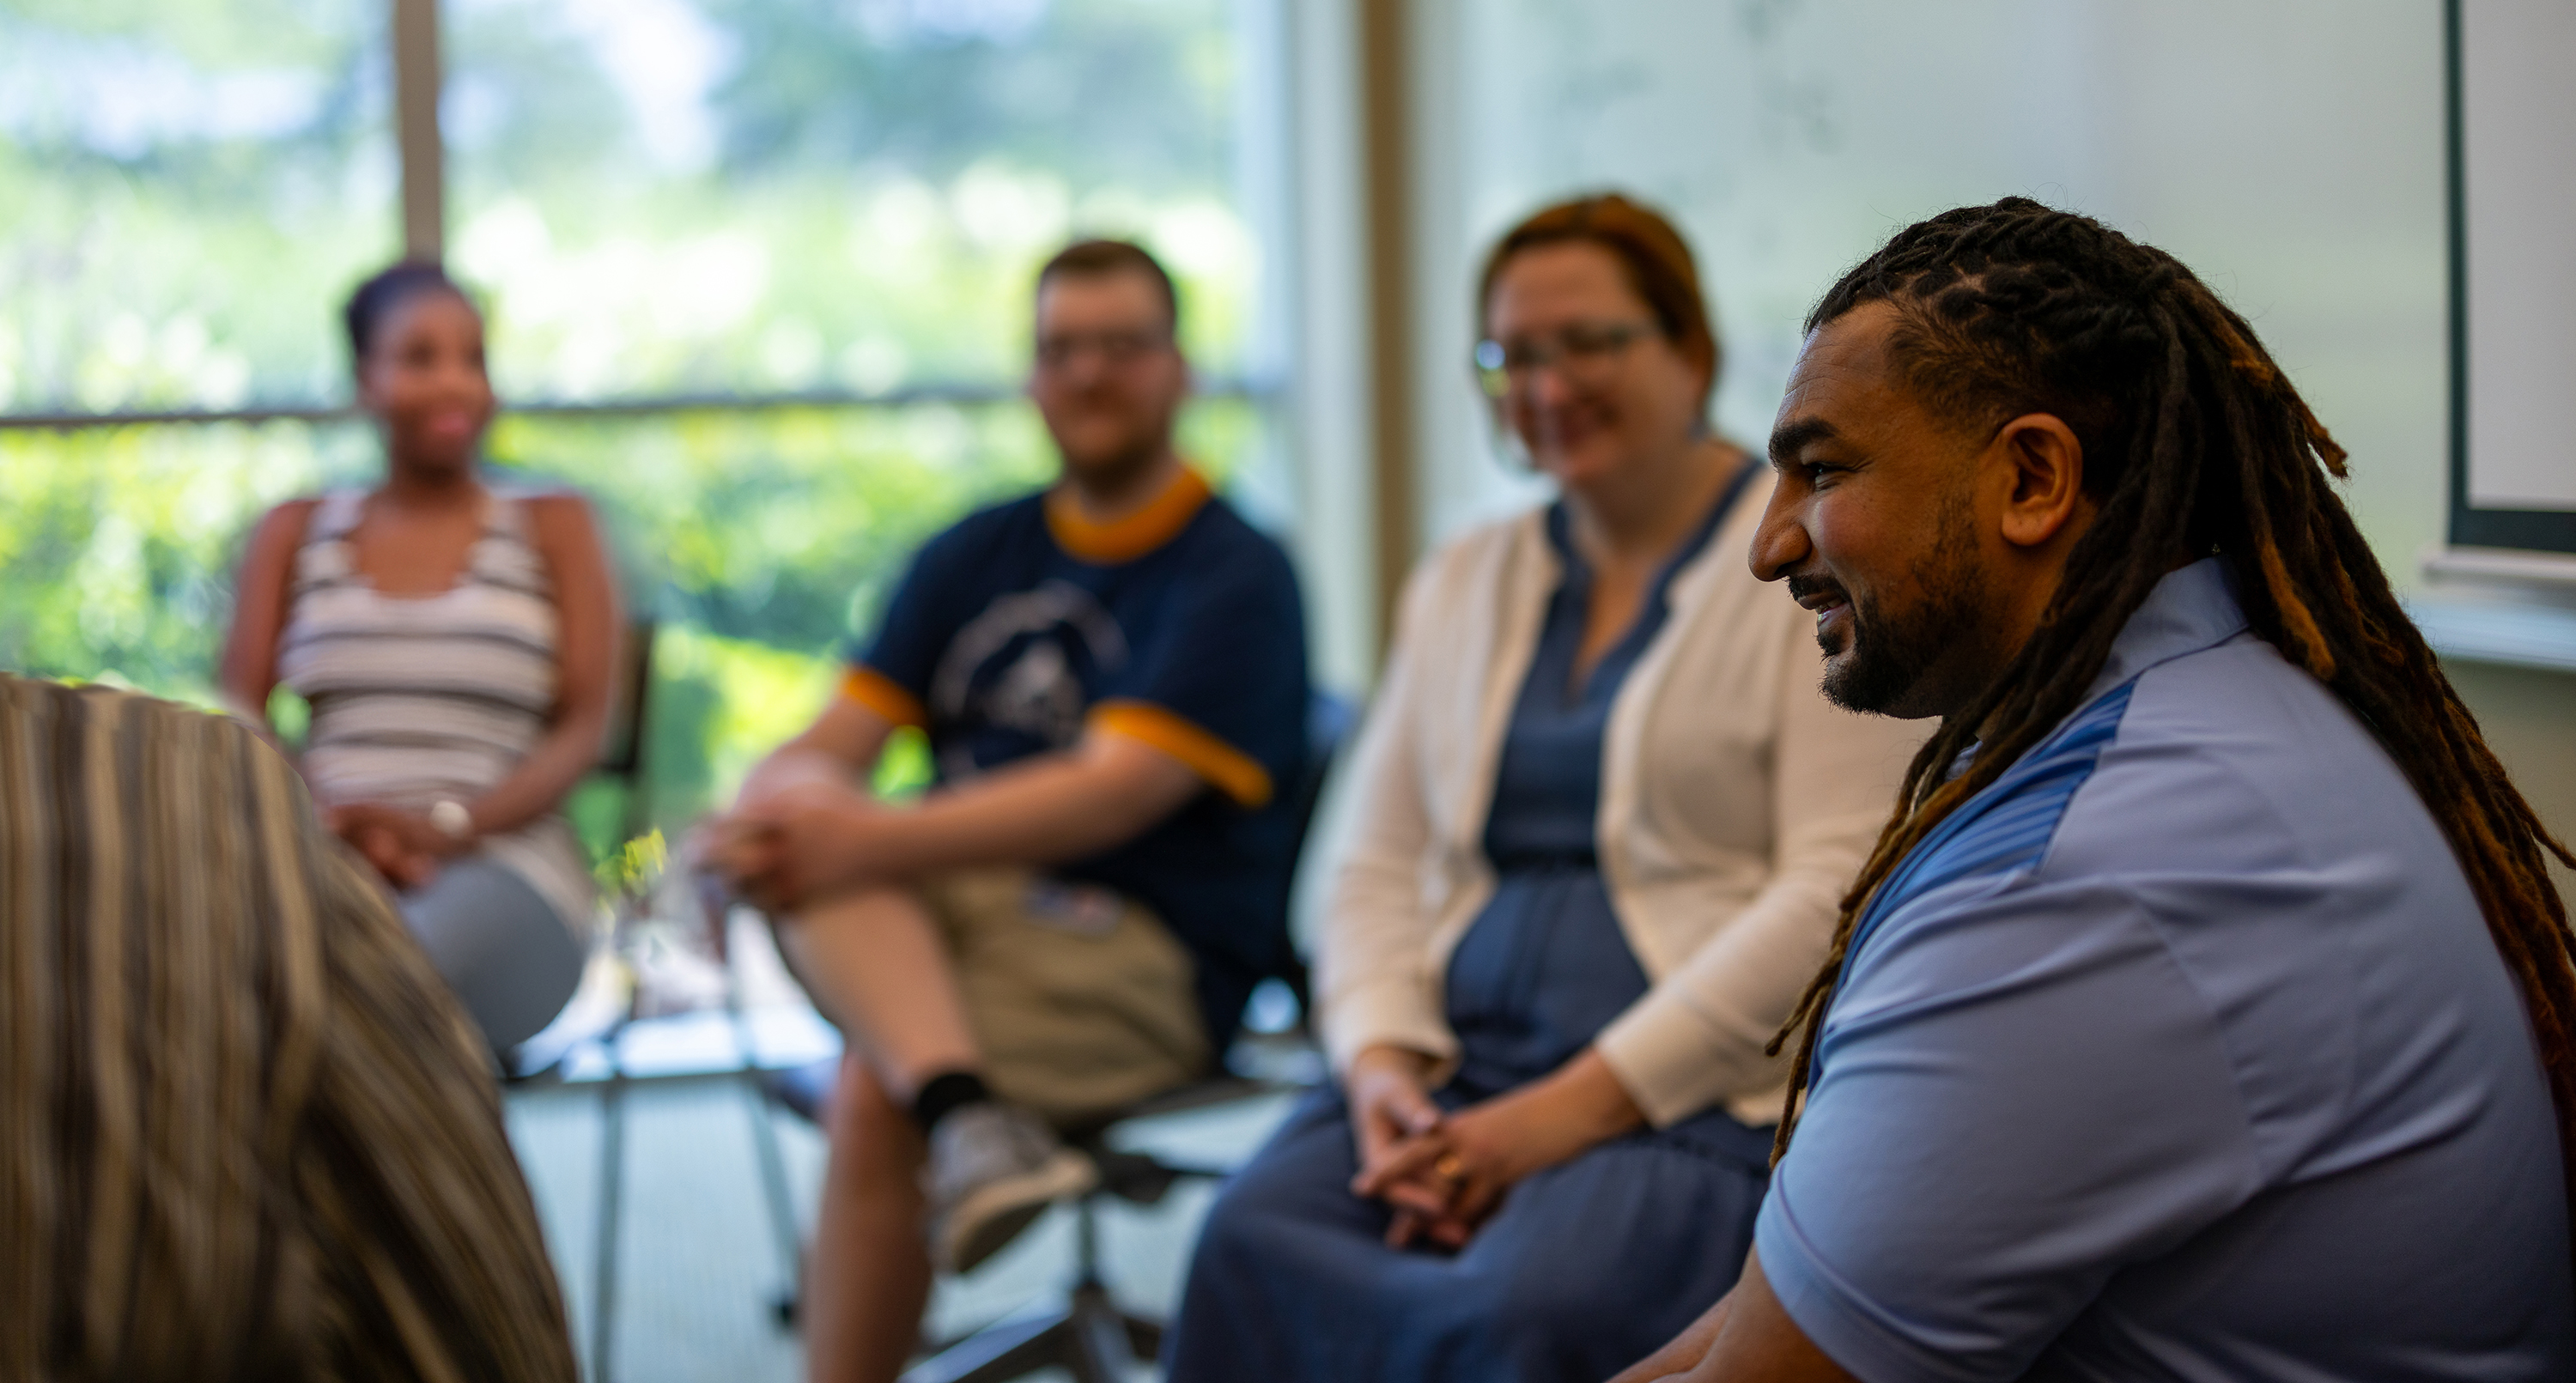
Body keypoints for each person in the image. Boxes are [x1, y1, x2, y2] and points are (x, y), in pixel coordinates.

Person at [1622, 196, 2576, 1382]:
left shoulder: (2081, 883)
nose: (1769, 544)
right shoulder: (2205, 704)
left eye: (1822, 472)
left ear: (2032, 478)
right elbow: (1803, 1299)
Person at [1163, 196, 1923, 1383]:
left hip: (1685, 1101)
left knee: (1520, 1314)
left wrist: (1553, 1119)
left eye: (1592, 342)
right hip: (1445, 1074)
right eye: (1512, 355)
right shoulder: (1467, 574)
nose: (1549, 383)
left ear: (1692, 351)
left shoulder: (1803, 565)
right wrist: (1377, 1076)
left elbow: (1834, 890)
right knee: (1246, 1241)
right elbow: (1366, 865)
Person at [700, 237, 1310, 1383]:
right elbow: (834, 747)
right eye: (1060, 349)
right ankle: (968, 1112)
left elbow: (1108, 795)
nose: (1088, 374)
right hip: (966, 914)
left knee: (877, 1083)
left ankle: (949, 1106)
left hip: (1144, 951)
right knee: (800, 820)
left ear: (1180, 369)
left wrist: (853, 835)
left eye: (1122, 346)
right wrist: (762, 816)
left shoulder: (1237, 572)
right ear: (1030, 377)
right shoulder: (973, 548)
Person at [0, 673, 578, 1381]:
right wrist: (307, 824)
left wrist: (442, 827)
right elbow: (242, 691)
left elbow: (585, 723)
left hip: (497, 849)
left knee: (354, 942)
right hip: (329, 831)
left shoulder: (562, 554)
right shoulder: (290, 559)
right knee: (293, 920)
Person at [220, 262, 621, 1058]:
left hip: (507, 867)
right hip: (320, 853)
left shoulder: (554, 523)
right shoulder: (295, 529)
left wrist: (447, 829)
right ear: (365, 379)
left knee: (378, 974)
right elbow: (240, 710)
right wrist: (334, 826)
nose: (457, 385)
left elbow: (584, 729)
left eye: (474, 359)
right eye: (420, 357)